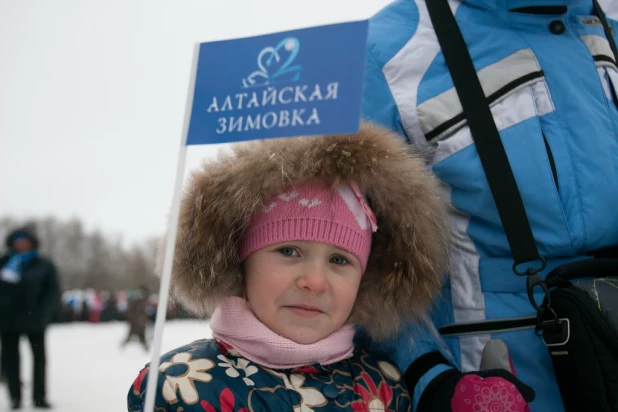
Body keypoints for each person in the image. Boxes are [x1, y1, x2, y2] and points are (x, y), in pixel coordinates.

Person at [360, 0, 618, 410]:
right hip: (498, 382)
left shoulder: (607, 24)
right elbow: (350, 260)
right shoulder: (379, 51)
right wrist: (431, 378)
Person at [126, 123, 467, 411]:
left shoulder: (385, 386)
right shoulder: (184, 385)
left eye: (339, 260)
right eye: (289, 251)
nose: (315, 281)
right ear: (240, 261)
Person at [0, 228, 60, 410]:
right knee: (11, 360)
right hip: (8, 320)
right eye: (18, 240)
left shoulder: (43, 265)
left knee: (39, 359)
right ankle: (15, 397)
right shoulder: (4, 263)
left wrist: (45, 313)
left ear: (32, 242)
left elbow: (52, 291)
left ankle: (39, 397)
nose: (21, 244)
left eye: (25, 240)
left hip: (35, 321)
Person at [121, 286, 150, 352]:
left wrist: (144, 318)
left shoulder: (143, 302)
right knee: (130, 335)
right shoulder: (135, 302)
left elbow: (144, 312)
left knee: (142, 336)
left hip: (141, 323)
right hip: (134, 323)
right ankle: (123, 345)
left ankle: (146, 348)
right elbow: (130, 312)